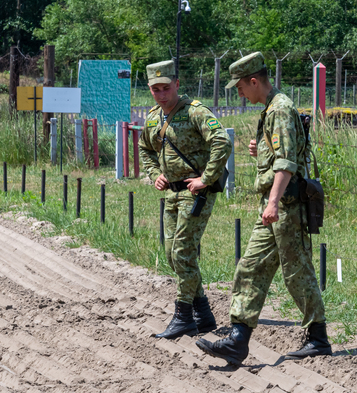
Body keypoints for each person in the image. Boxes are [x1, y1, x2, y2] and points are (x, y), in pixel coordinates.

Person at [196, 52, 331, 364]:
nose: (239, 93)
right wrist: (263, 149)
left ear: (254, 81)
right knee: (250, 267)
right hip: (275, 206)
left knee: (297, 273)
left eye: (241, 87)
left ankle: (319, 337)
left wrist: (272, 203)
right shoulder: (272, 109)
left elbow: (286, 163)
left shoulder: (280, 109)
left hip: (285, 206)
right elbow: (281, 151)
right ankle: (238, 339)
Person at [139, 60, 232, 339]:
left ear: (177, 85)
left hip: (196, 193)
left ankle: (183, 316)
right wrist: (155, 173)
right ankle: (202, 313)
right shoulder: (154, 117)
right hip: (171, 193)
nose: (161, 94)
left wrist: (206, 178)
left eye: (166, 87)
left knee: (182, 252)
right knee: (173, 254)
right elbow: (145, 148)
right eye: (155, 89)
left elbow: (222, 141)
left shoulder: (195, 112)